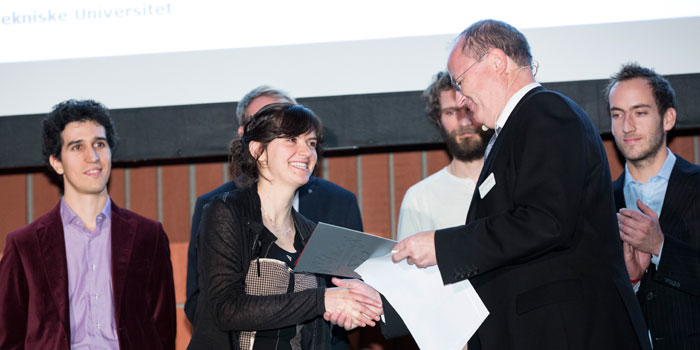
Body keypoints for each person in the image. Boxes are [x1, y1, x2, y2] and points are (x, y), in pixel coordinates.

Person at [386, 20, 651, 349]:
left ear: (497, 62)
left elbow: (545, 221)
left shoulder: (546, 113)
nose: (460, 95)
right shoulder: (513, 130)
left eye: (460, 80)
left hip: (568, 333)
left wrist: (442, 246)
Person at [187, 103, 381, 350]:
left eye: (311, 143)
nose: (307, 152)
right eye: (291, 139)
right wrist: (323, 301)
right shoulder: (226, 211)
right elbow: (226, 309)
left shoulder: (311, 233)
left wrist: (345, 312)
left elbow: (313, 323)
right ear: (258, 150)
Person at [0, 99, 176, 349]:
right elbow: (9, 337)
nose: (92, 156)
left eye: (99, 144)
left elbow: (163, 331)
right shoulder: (24, 245)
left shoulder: (149, 235)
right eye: (76, 147)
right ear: (56, 162)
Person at [607, 63, 700, 349]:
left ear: (668, 118)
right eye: (617, 114)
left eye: (640, 112)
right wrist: (632, 280)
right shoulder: (600, 204)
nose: (627, 126)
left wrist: (660, 247)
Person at [397, 71, 492, 240]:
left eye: (468, 109)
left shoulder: (512, 180)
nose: (464, 121)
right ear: (438, 120)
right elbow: (406, 265)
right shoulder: (419, 198)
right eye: (451, 112)